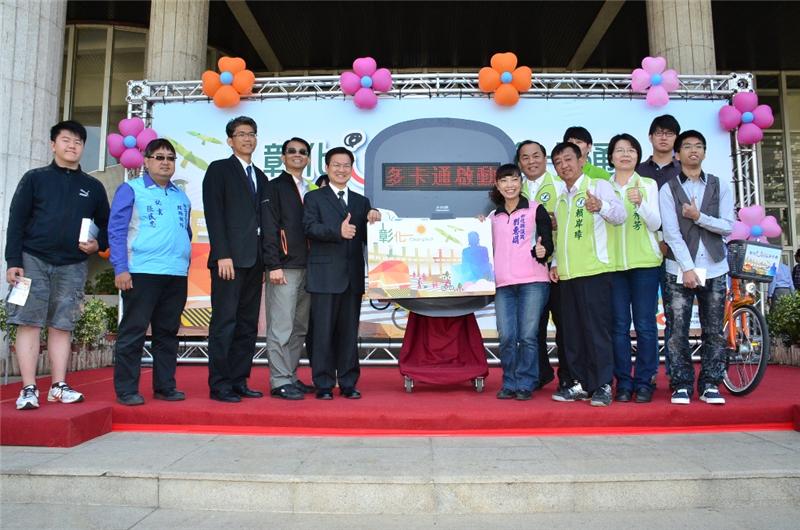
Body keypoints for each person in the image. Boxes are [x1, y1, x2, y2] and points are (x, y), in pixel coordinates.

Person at [5, 120, 110, 410]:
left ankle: (58, 386)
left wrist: (97, 245)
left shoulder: (93, 186)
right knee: (28, 322)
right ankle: (28, 388)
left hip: (73, 265)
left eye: (78, 142)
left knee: (63, 324)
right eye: (66, 140)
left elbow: (105, 223)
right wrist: (13, 261)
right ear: (54, 144)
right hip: (32, 260)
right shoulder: (34, 178)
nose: (72, 146)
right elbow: (16, 221)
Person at [109, 139, 191, 406]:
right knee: (133, 331)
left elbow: (185, 233)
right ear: (146, 161)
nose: (165, 162)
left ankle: (165, 386)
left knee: (167, 333)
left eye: (170, 157)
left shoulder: (180, 195)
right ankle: (127, 390)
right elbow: (117, 231)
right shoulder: (131, 189)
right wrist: (121, 268)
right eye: (159, 157)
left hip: (176, 274)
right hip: (141, 271)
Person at [660, 130, 734, 406]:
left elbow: (728, 225)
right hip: (679, 268)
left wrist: (698, 217)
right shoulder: (668, 189)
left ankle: (710, 383)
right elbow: (671, 233)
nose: (693, 150)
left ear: (704, 152)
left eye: (698, 146)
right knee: (677, 329)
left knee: (713, 329)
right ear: (677, 155)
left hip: (714, 267)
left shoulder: (719, 185)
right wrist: (688, 268)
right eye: (687, 146)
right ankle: (680, 383)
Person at [549, 142, 626, 407]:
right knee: (573, 334)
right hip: (568, 276)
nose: (564, 166)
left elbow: (620, 215)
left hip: (594, 271)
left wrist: (601, 206)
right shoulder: (561, 197)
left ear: (581, 160)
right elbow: (560, 238)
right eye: (558, 162)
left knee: (597, 332)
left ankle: (603, 384)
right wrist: (555, 263)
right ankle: (580, 383)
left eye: (568, 159)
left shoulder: (598, 185)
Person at [303, 147, 380, 400]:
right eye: (336, 165)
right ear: (326, 167)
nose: (341, 169)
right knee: (322, 333)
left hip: (352, 277)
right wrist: (338, 232)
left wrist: (375, 219)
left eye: (346, 165)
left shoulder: (361, 201)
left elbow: (369, 239)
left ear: (352, 169)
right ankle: (323, 384)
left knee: (349, 334)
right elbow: (309, 228)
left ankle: (348, 382)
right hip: (324, 277)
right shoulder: (314, 198)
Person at [202, 116, 268, 403]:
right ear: (230, 140)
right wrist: (222, 254)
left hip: (255, 261)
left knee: (247, 324)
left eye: (251, 134)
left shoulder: (261, 176)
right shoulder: (219, 170)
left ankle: (239, 379)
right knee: (224, 323)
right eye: (241, 134)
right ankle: (220, 385)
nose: (247, 139)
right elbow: (214, 214)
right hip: (229, 260)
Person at [488, 164, 553, 400]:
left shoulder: (536, 210)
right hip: (503, 285)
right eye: (504, 181)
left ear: (521, 182)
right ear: (497, 185)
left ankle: (526, 382)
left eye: (514, 180)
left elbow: (547, 243)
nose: (509, 185)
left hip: (533, 281)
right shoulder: (492, 218)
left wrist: (544, 250)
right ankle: (509, 381)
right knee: (506, 336)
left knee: (527, 336)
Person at [607, 134, 662, 404]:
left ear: (638, 156)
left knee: (645, 325)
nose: (625, 155)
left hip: (645, 265)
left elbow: (656, 225)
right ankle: (623, 383)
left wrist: (640, 203)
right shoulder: (601, 186)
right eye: (619, 150)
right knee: (618, 327)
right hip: (613, 267)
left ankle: (645, 381)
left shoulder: (648, 185)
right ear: (611, 157)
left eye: (631, 150)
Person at [262, 137, 317, 400]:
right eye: (291, 151)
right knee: (280, 327)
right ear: (282, 157)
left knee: (298, 328)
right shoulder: (273, 187)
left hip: (309, 267)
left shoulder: (312, 188)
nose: (297, 155)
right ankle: (279, 380)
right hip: (283, 268)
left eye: (302, 152)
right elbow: (269, 228)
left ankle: (291, 375)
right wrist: (273, 264)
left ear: (308, 158)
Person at [516, 140, 566, 390]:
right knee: (533, 327)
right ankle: (539, 373)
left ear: (546, 158)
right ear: (519, 163)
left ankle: (568, 377)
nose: (531, 161)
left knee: (564, 324)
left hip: (558, 267)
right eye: (525, 157)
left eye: (536, 156)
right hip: (527, 271)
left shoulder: (559, 185)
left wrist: (555, 260)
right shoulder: (515, 188)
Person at [636, 114, 682, 380]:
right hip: (646, 252)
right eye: (659, 132)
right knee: (646, 318)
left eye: (669, 133)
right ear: (651, 137)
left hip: (677, 252)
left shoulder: (683, 171)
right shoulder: (638, 171)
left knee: (677, 315)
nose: (663, 137)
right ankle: (649, 373)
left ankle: (678, 375)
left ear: (676, 139)